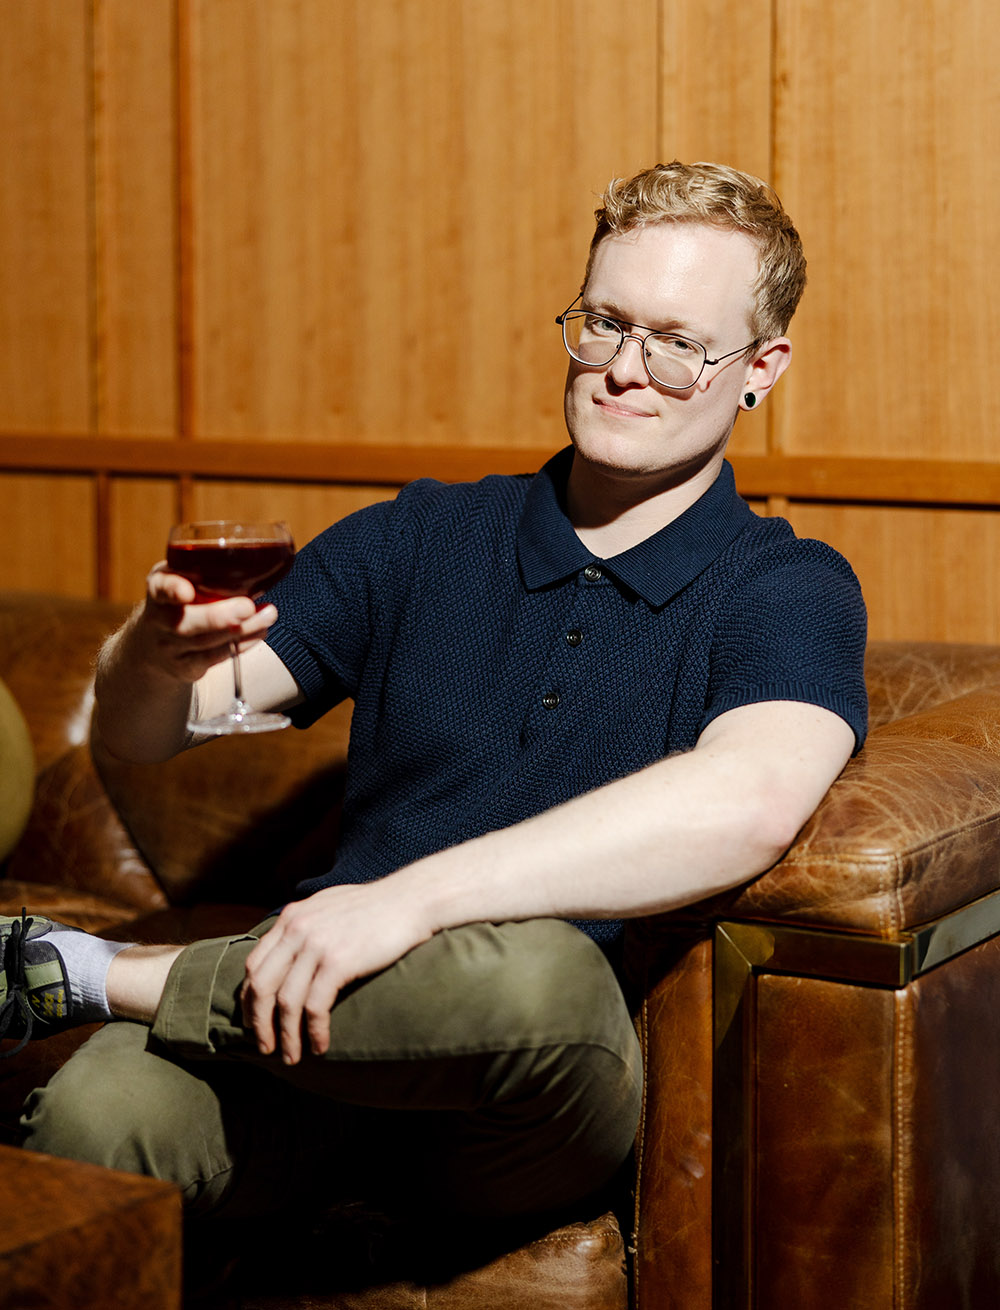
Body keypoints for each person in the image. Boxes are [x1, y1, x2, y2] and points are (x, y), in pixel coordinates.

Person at [1, 163, 866, 1247]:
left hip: (526, 1090)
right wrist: (152, 655)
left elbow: (750, 800)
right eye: (604, 323)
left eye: (678, 343)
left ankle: (93, 974)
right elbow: (143, 736)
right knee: (94, 1114)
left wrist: (410, 901)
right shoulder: (420, 536)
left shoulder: (787, 585)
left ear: (760, 369)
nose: (622, 370)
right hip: (308, 1034)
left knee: (538, 972)